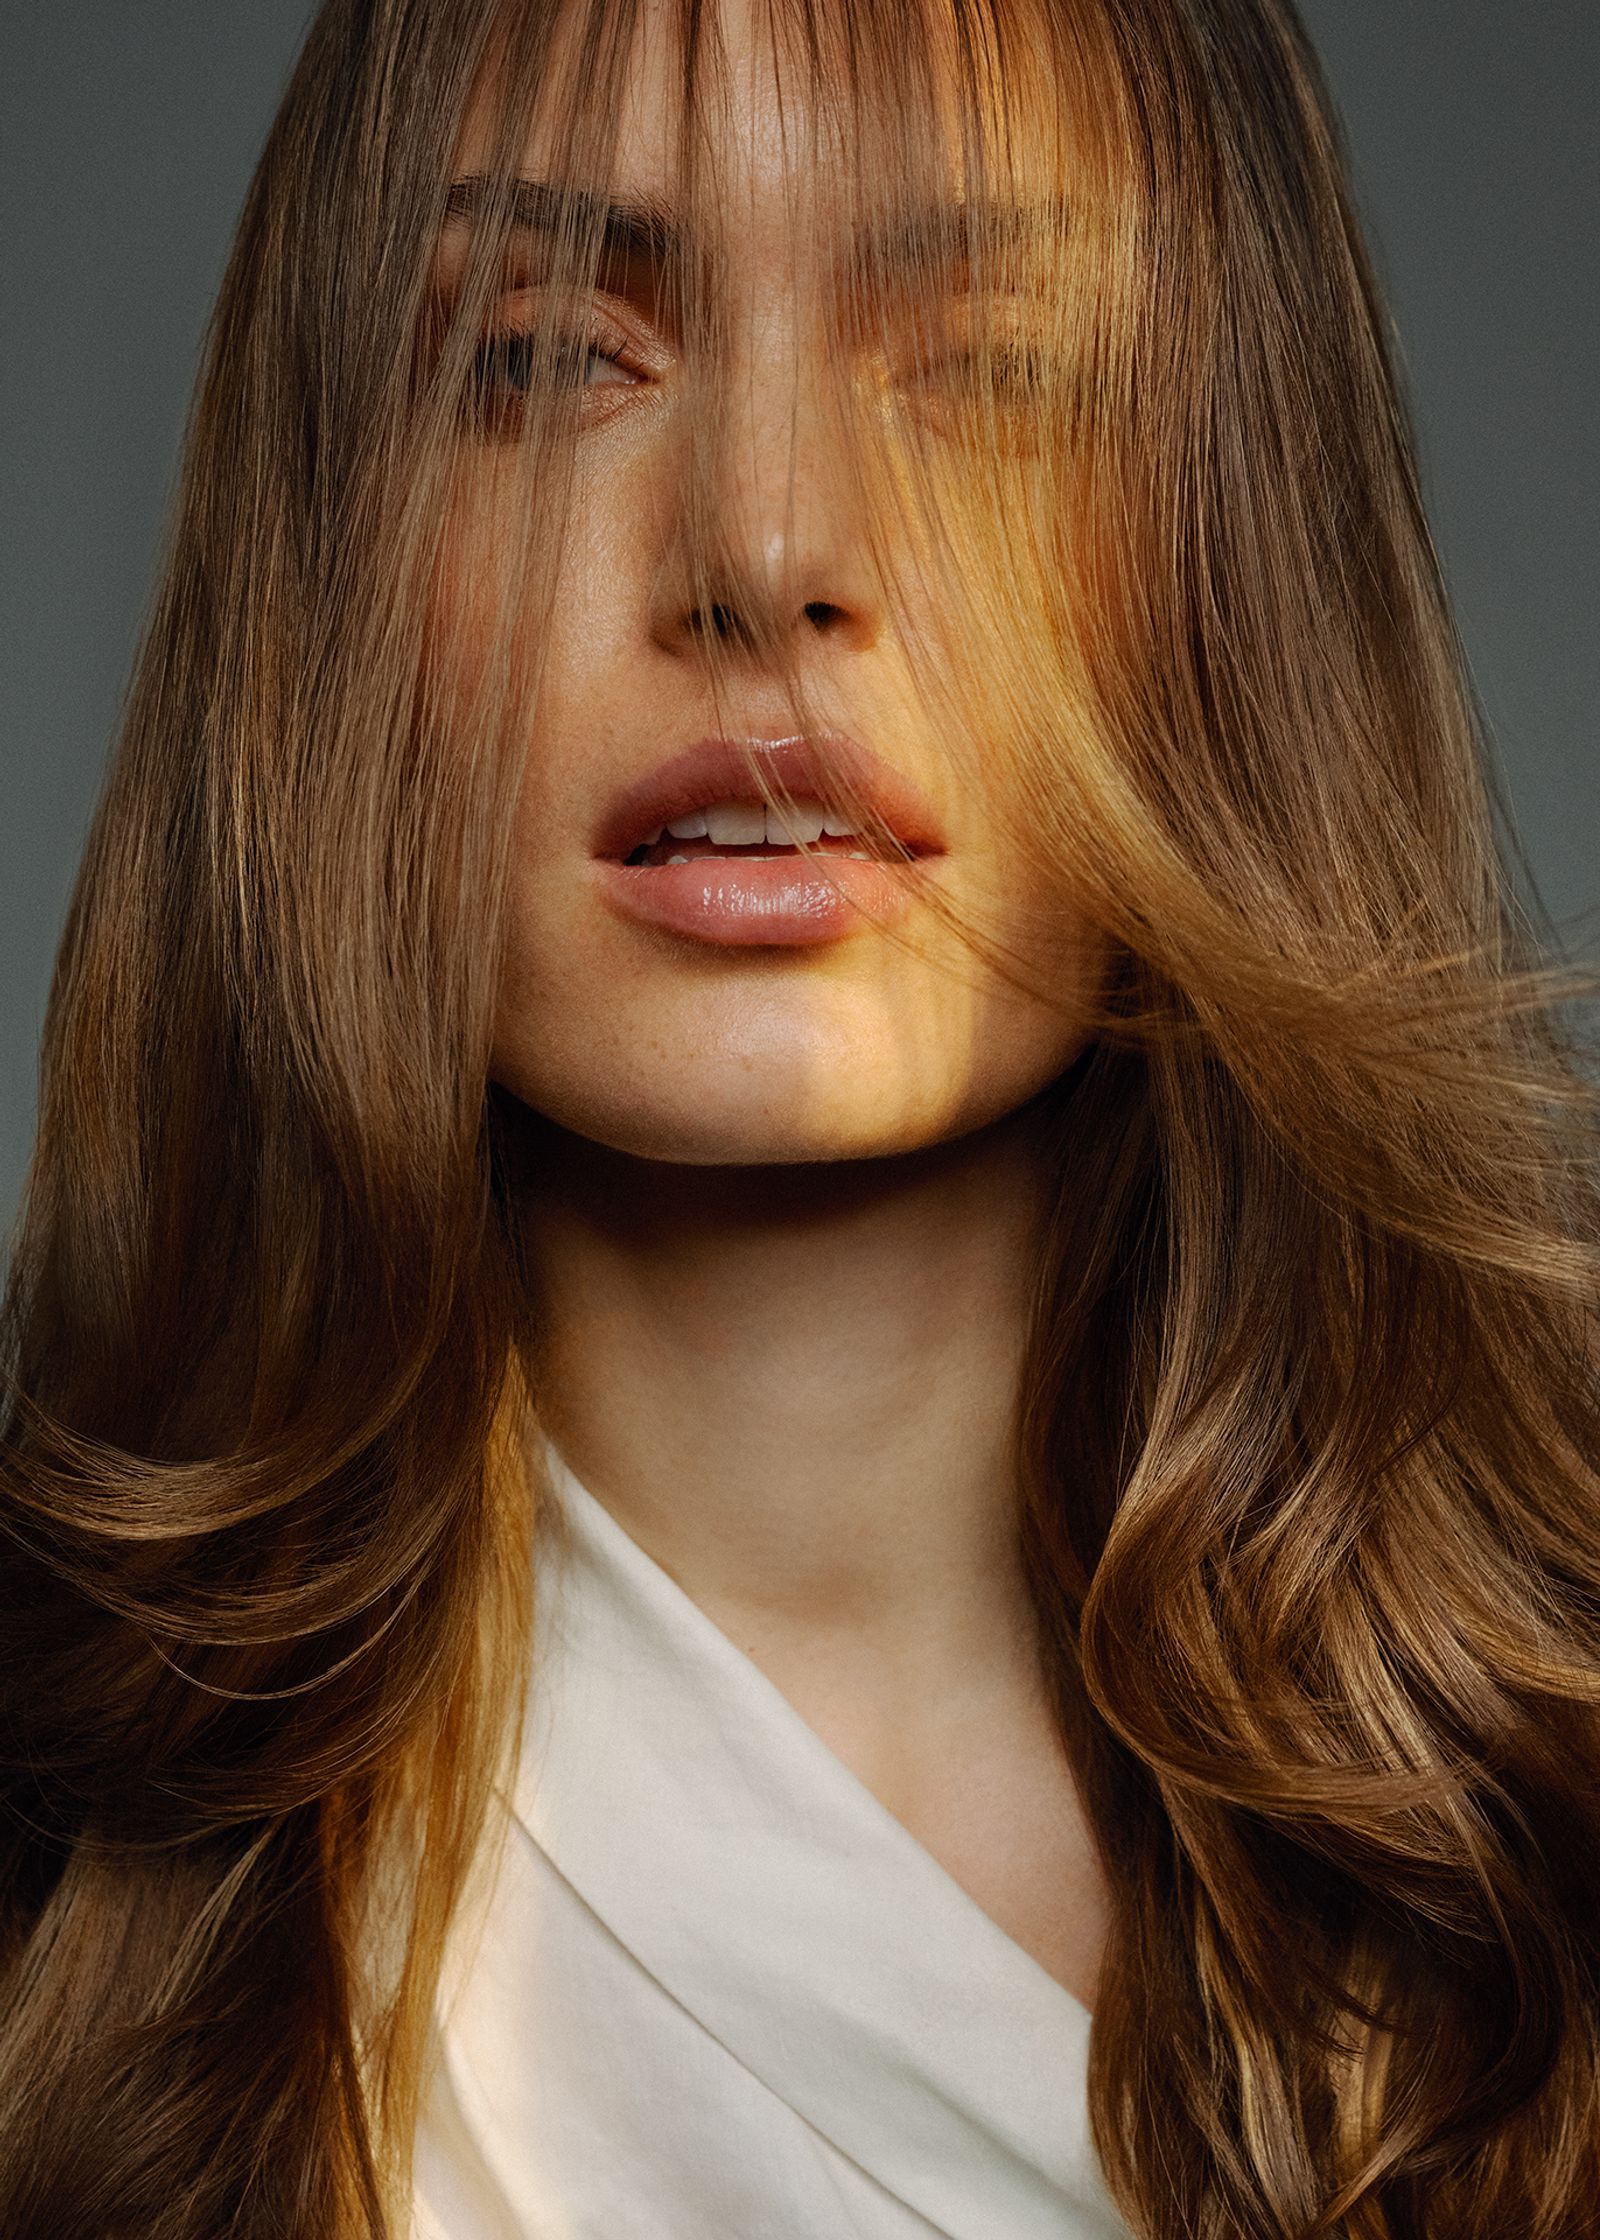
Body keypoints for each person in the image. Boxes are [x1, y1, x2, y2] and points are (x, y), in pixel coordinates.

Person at [1, 0, 1596, 2233]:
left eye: (987, 360)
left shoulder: (1548, 1829)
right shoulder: (51, 1848)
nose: (763, 544)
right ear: (327, 567)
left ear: (1241, 563)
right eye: (553, 353)